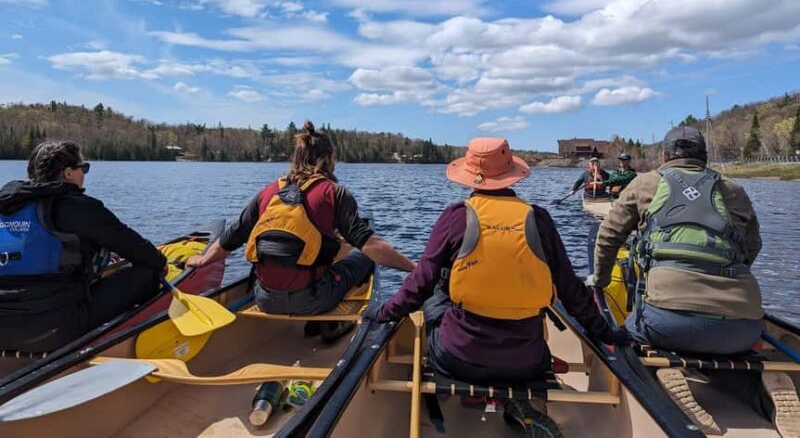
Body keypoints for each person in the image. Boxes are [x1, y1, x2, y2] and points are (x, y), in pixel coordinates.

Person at [368, 137, 627, 431]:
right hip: (527, 362)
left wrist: (382, 312)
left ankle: (477, 393)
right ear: (510, 174)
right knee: (536, 303)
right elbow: (572, 292)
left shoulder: (455, 217)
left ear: (469, 177)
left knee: (437, 290)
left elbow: (419, 285)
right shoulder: (539, 219)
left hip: (458, 357)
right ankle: (521, 399)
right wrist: (608, 333)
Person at [590, 126, 799, 436]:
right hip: (743, 326)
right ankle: (761, 389)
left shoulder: (644, 182)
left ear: (664, 156)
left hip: (667, 322)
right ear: (704, 157)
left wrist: (600, 282)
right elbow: (752, 247)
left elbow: (608, 238)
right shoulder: (734, 190)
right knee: (721, 347)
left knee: (627, 337)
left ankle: (665, 380)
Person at [187, 121, 415, 339]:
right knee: (363, 257)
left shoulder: (268, 192)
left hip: (264, 298)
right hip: (314, 299)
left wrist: (203, 259)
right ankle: (330, 322)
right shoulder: (334, 193)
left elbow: (232, 236)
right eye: (333, 158)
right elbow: (372, 246)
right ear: (327, 158)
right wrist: (416, 268)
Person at [0, 140, 166, 353]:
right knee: (148, 273)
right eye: (83, 168)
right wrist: (161, 264)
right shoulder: (79, 206)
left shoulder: (7, 205)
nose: (84, 174)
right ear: (68, 173)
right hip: (54, 330)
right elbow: (144, 254)